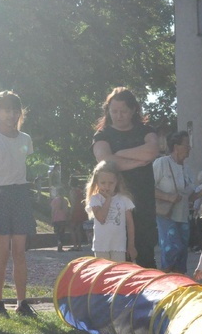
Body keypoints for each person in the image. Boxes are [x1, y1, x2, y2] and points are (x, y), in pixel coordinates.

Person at [0, 90, 37, 317]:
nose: (11, 115)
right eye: (7, 110)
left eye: (15, 111)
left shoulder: (25, 140)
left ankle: (22, 302)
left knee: (19, 252)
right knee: (2, 251)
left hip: (20, 195)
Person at [92, 87, 159, 268]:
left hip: (142, 200)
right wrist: (138, 161)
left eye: (123, 111)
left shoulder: (146, 130)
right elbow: (106, 161)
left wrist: (120, 153)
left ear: (133, 110)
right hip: (114, 202)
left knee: (145, 252)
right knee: (118, 256)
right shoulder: (103, 134)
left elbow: (152, 151)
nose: (118, 115)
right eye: (114, 111)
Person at [153, 130, 202, 273]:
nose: (189, 148)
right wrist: (168, 197)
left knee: (182, 253)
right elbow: (147, 189)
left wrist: (199, 194)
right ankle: (162, 278)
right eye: (186, 144)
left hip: (183, 216)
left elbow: (188, 198)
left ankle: (179, 284)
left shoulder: (187, 170)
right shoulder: (162, 163)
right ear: (176, 146)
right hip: (166, 215)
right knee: (173, 247)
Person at [84, 160, 137, 262]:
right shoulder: (95, 199)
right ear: (97, 182)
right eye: (103, 183)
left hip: (119, 246)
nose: (107, 186)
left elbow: (130, 224)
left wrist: (131, 245)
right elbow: (101, 218)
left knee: (117, 274)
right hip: (101, 246)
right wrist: (108, 199)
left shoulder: (124, 199)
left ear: (116, 182)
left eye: (111, 183)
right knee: (103, 274)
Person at [68, 176, 88, 251]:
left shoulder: (72, 191)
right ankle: (79, 245)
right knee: (79, 228)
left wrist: (70, 213)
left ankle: (75, 245)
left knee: (72, 228)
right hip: (81, 210)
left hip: (75, 210)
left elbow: (73, 203)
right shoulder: (80, 191)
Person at [50, 187, 70, 252]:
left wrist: (52, 218)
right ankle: (61, 245)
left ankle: (58, 242)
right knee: (62, 233)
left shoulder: (55, 201)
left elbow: (52, 211)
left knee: (57, 232)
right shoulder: (65, 201)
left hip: (56, 219)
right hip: (63, 219)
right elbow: (67, 211)